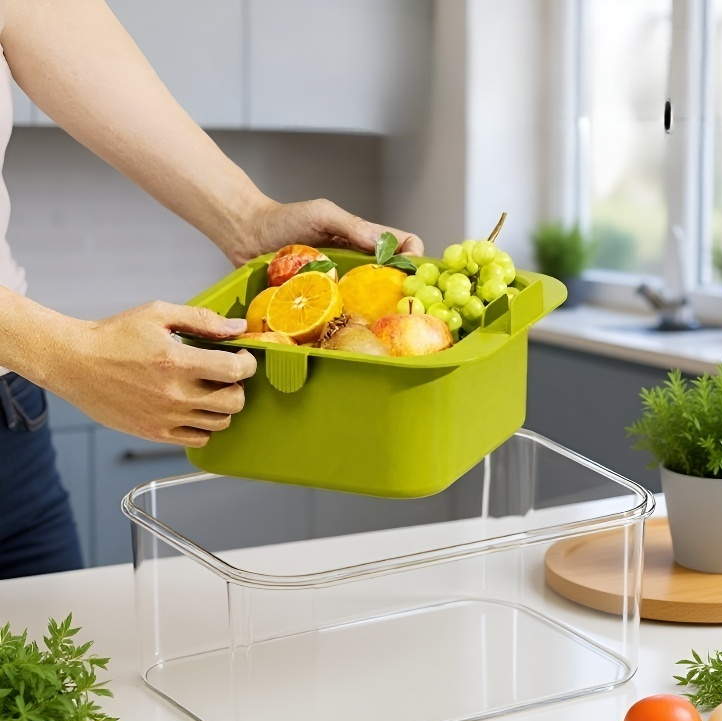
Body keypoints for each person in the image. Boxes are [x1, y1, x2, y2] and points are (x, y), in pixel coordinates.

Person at [0, 0, 423, 579]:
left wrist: (249, 216)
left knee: (63, 667)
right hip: (25, 368)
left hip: (11, 425)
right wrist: (65, 352)